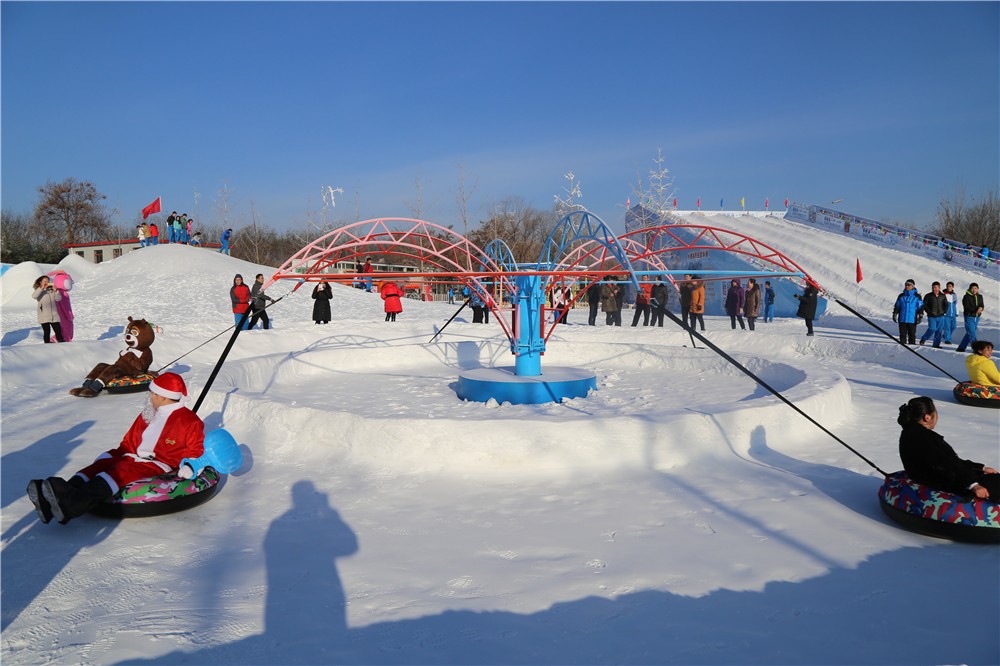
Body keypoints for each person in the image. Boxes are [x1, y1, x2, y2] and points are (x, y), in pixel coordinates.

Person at [26, 372, 206, 525]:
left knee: (119, 472)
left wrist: (189, 466)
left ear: (163, 396)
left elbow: (196, 450)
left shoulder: (189, 421)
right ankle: (58, 495)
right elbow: (130, 440)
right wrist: (117, 455)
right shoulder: (148, 413)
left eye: (152, 393)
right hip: (132, 455)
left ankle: (70, 507)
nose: (149, 396)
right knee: (102, 464)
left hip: (158, 463)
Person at [896, 396, 999, 499]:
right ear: (927, 417)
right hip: (945, 482)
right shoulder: (923, 438)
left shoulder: (912, 432)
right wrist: (973, 485)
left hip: (944, 476)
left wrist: (980, 468)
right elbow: (945, 465)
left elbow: (950, 461)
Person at [32, 275, 64, 343]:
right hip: (44, 315)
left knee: (58, 332)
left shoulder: (52, 290)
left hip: (54, 315)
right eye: (45, 281)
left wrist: (56, 291)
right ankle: (47, 346)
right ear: (41, 282)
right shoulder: (39, 291)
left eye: (48, 281)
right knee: (47, 332)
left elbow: (58, 299)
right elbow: (34, 296)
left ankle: (63, 344)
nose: (47, 282)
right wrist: (41, 288)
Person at [892, 278, 923, 345]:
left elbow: (920, 307)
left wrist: (920, 315)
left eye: (909, 285)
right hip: (902, 319)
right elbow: (897, 306)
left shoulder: (917, 296)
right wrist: (895, 313)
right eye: (906, 285)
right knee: (902, 335)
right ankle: (902, 348)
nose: (907, 286)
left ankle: (912, 349)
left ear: (913, 286)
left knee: (912, 335)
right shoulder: (901, 296)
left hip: (912, 319)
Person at [955, 283, 985, 353]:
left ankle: (961, 347)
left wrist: (981, 308)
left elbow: (981, 305)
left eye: (975, 288)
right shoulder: (966, 297)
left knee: (970, 333)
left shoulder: (980, 296)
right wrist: (975, 311)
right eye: (972, 288)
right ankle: (977, 349)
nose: (974, 290)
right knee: (972, 333)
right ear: (970, 289)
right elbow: (967, 307)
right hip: (969, 317)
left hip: (977, 317)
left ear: (977, 289)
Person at [918, 281, 947, 348]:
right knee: (932, 328)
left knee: (939, 331)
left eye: (936, 287)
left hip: (941, 316)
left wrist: (944, 311)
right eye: (933, 287)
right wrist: (929, 312)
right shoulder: (928, 296)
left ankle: (936, 344)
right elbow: (924, 305)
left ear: (939, 288)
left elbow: (946, 304)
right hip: (932, 316)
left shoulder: (943, 296)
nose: (934, 289)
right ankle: (924, 339)